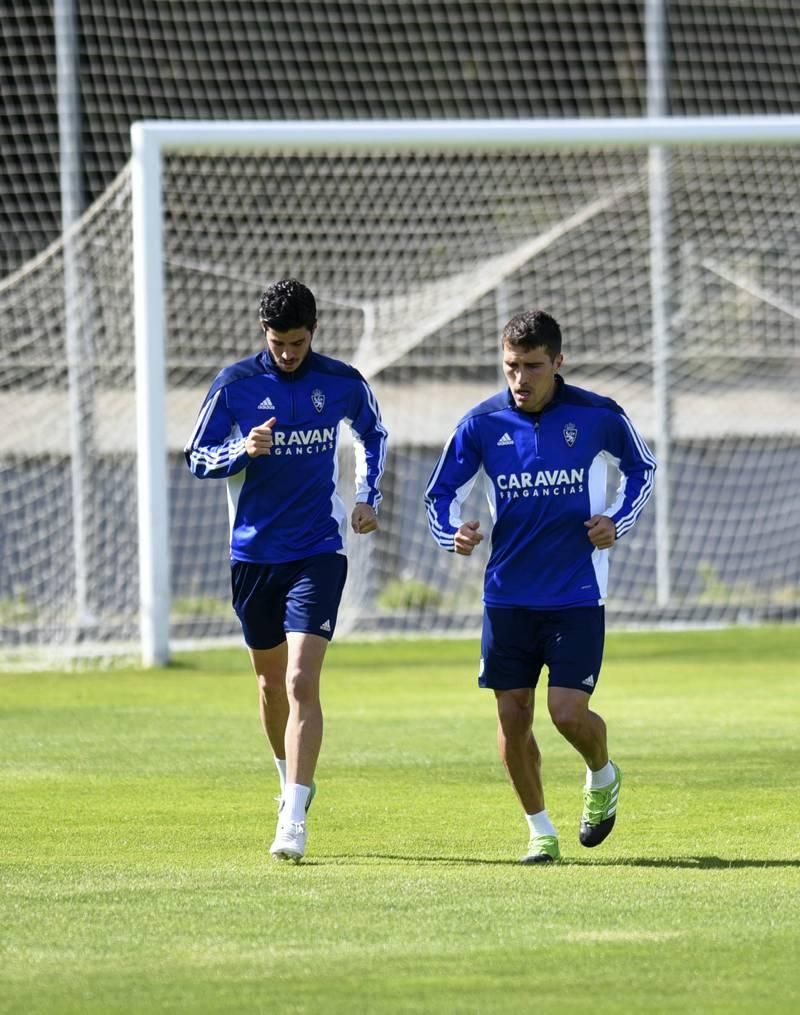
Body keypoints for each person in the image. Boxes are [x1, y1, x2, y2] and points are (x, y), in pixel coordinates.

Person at [424, 309, 655, 864]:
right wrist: (451, 533)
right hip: (507, 595)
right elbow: (438, 495)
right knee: (512, 716)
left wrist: (615, 522)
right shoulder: (480, 424)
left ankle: (602, 774)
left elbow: (642, 469)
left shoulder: (598, 415)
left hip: (577, 592)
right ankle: (540, 831)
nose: (520, 379)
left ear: (557, 362)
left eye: (531, 366)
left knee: (568, 714)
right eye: (510, 367)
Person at [185, 278, 387, 863]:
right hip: (252, 557)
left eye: (297, 342)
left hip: (318, 550)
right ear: (263, 335)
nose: (288, 353)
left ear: (313, 332)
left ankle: (293, 818)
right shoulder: (235, 386)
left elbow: (374, 433)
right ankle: (288, 781)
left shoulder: (342, 382)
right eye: (278, 343)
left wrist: (367, 495)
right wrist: (239, 452)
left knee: (301, 680)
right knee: (271, 684)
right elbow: (198, 458)